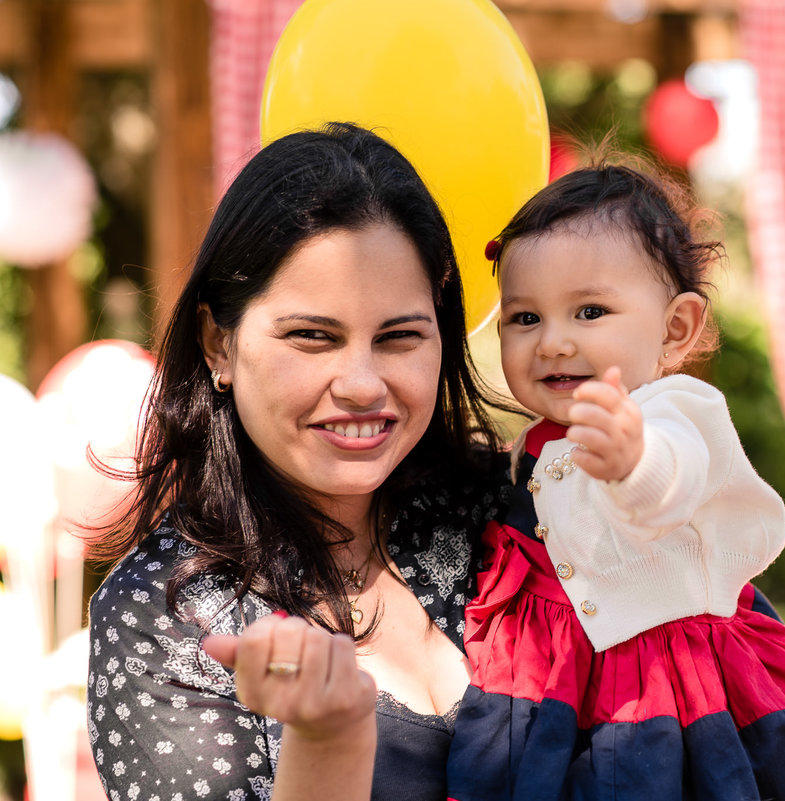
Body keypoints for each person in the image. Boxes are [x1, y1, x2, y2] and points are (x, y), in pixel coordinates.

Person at [85, 122, 513, 801]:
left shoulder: (512, 512)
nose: (363, 384)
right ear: (217, 344)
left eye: (400, 336)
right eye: (313, 336)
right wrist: (327, 741)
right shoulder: (165, 613)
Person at [446, 160, 785, 801]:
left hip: (671, 688)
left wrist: (633, 463)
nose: (553, 343)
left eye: (589, 311)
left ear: (675, 328)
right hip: (549, 686)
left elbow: (674, 479)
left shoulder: (673, 413)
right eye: (525, 318)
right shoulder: (534, 444)